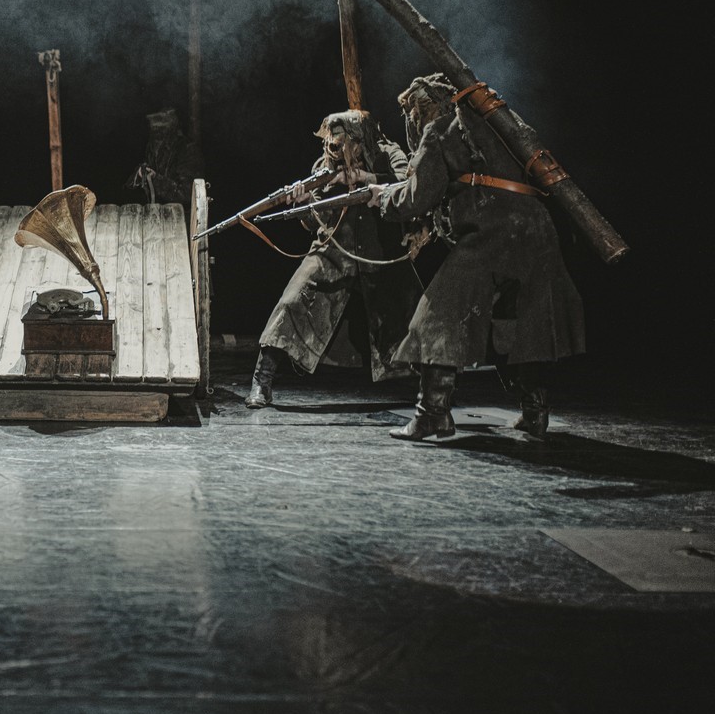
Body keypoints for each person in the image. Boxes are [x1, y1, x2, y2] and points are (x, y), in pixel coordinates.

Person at [368, 73, 585, 441]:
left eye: (412, 114)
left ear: (421, 110)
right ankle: (535, 412)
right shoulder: (500, 124)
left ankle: (431, 415)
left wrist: (384, 198)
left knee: (436, 318)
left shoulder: (439, 131)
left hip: (492, 232)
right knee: (519, 324)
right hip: (537, 231)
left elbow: (418, 197)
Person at [246, 109, 424, 408]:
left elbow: (408, 185)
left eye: (343, 140)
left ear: (359, 139)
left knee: (413, 315)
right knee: (290, 304)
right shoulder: (325, 166)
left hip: (381, 254)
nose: (336, 147)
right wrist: (306, 201)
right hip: (332, 251)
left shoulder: (388, 154)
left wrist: (366, 178)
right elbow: (316, 222)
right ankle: (261, 383)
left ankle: (431, 392)